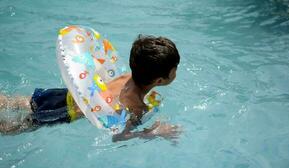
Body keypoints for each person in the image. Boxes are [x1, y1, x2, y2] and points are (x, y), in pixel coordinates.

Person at [0, 35, 181, 142]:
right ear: (159, 80)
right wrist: (152, 132)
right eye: (174, 71)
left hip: (65, 94)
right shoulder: (137, 108)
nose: (176, 73)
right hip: (66, 112)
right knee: (13, 127)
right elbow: (118, 138)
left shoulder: (126, 76)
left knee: (15, 102)